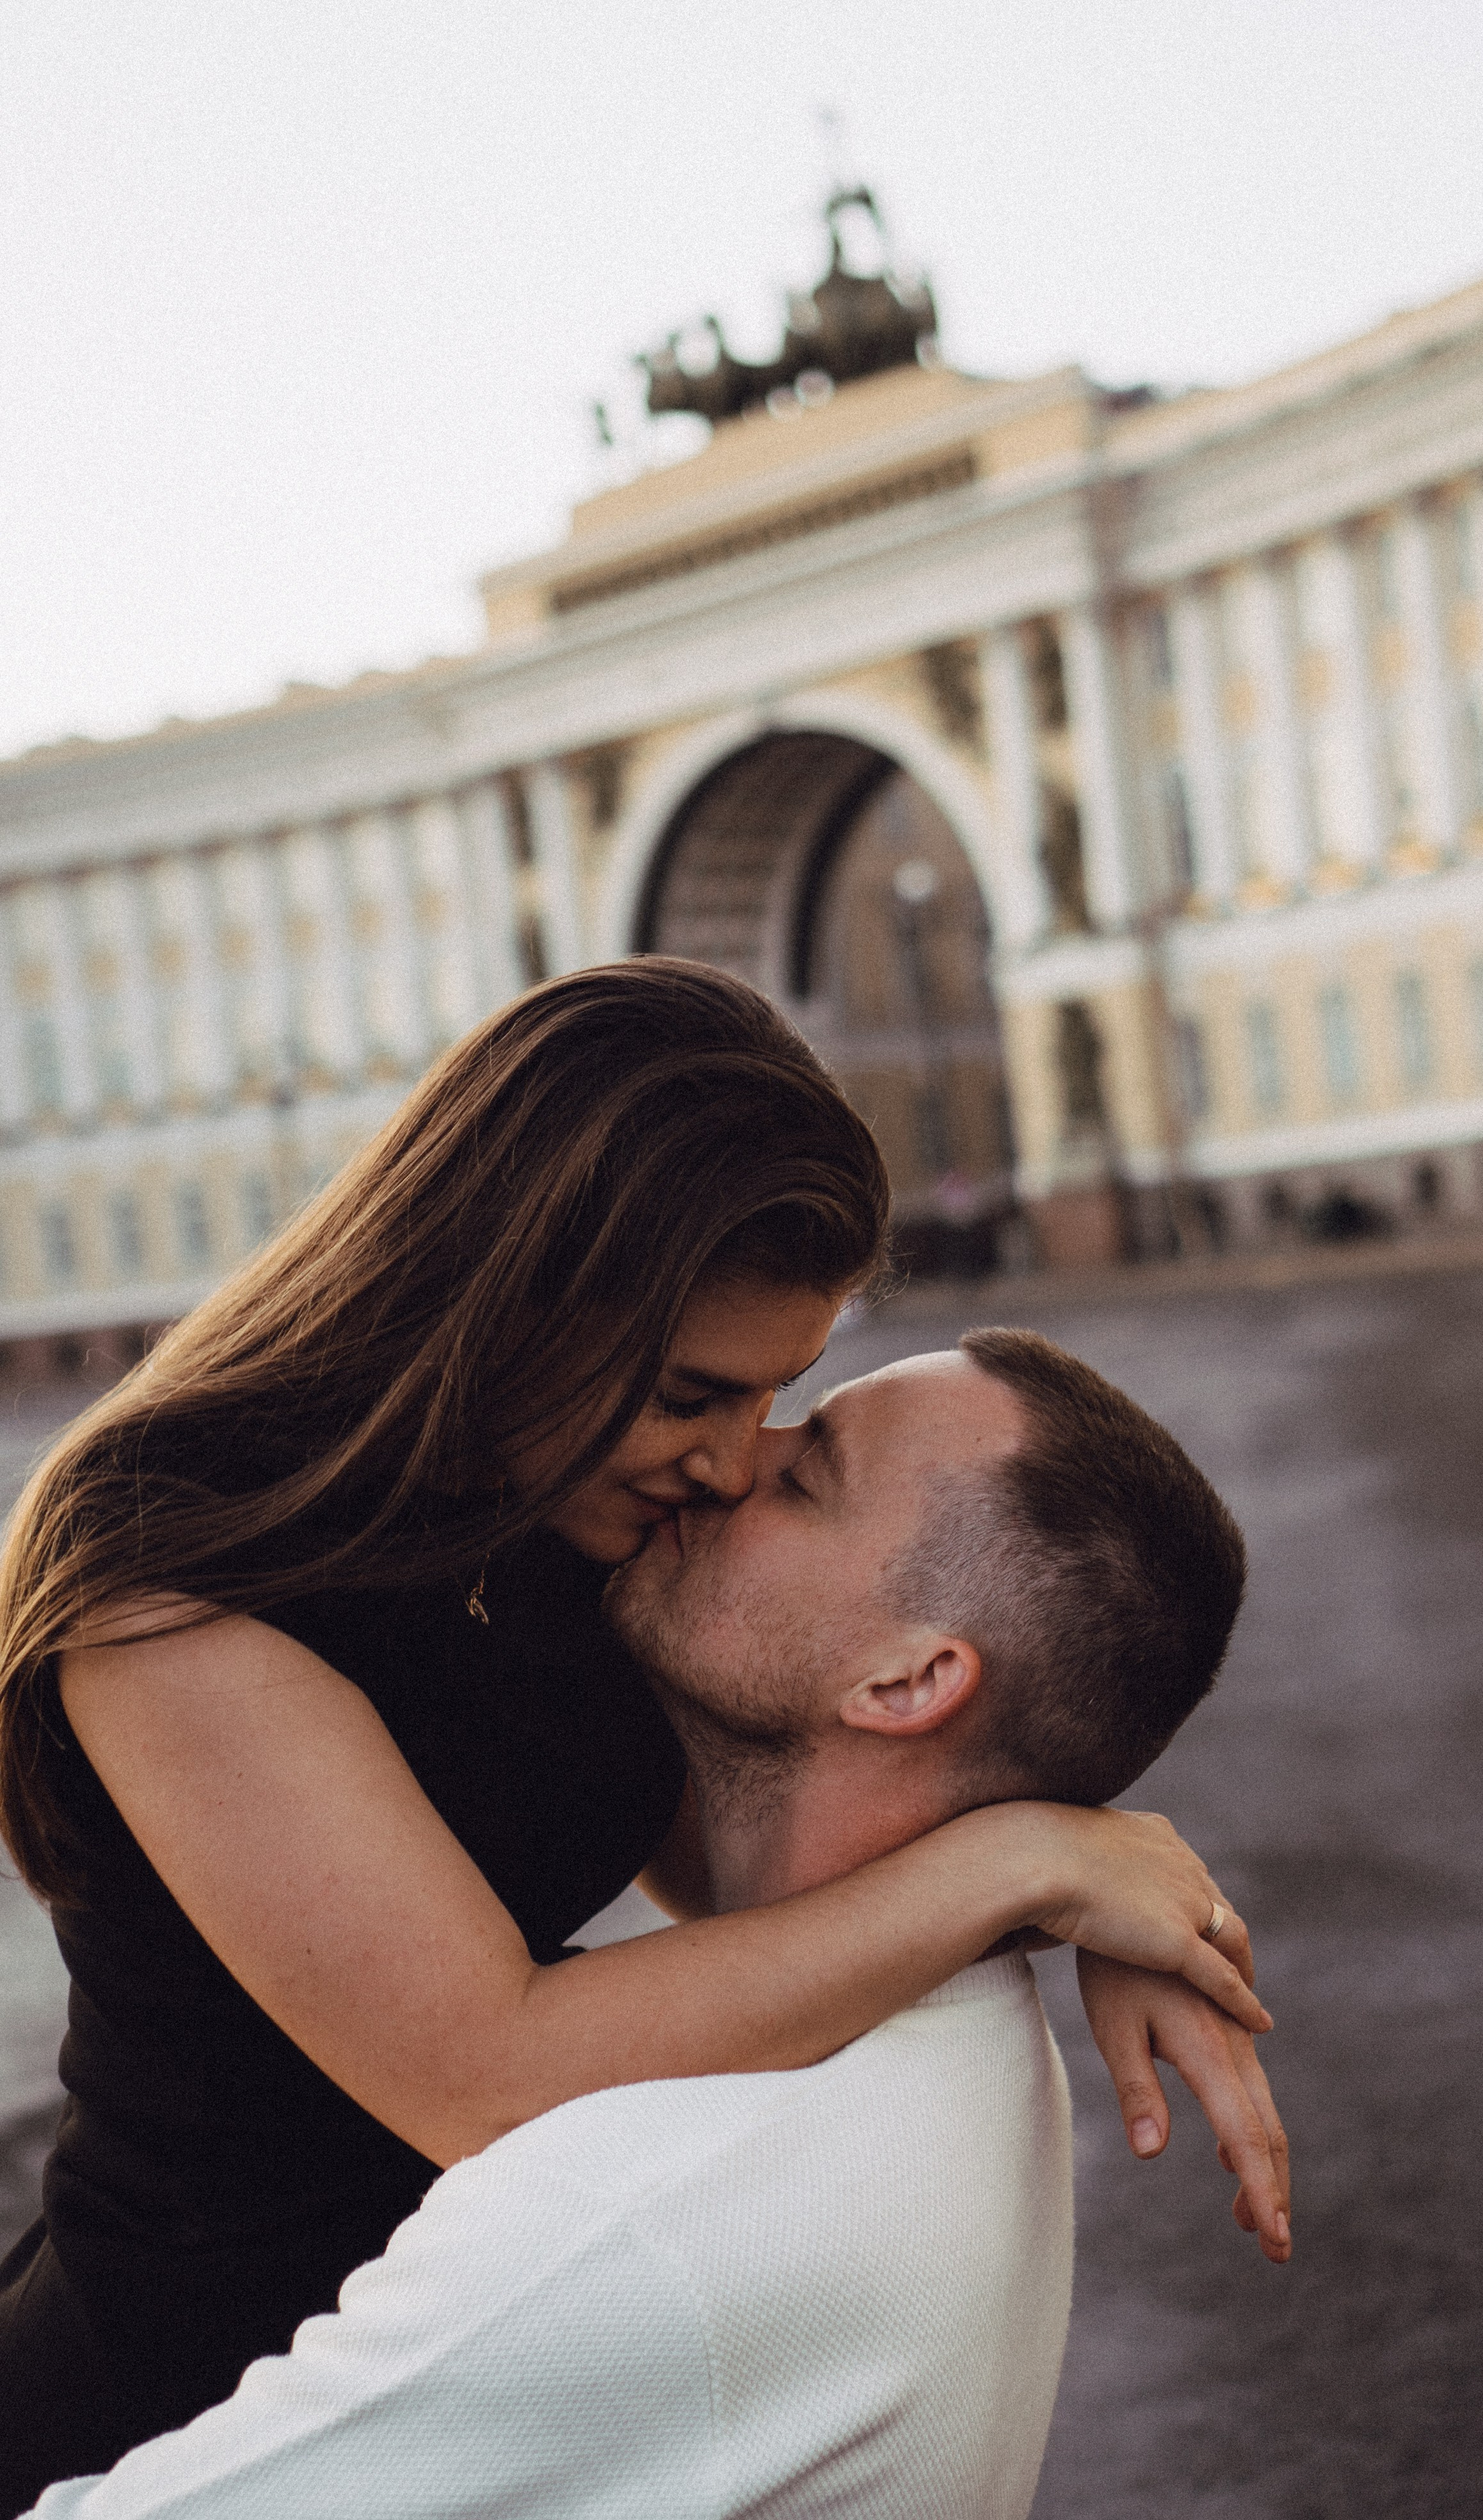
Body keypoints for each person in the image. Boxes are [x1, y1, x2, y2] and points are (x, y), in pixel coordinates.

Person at [0, 961, 1267, 2516]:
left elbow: (776, 1829)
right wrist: (1025, 1862)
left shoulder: (566, 1498)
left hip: (505, 2322)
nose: (736, 1463)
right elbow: (487, 2068)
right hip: (189, 2402)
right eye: (693, 1395)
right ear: (511, 1298)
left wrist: (1105, 1876)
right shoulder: (180, 1577)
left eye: (778, 1399)